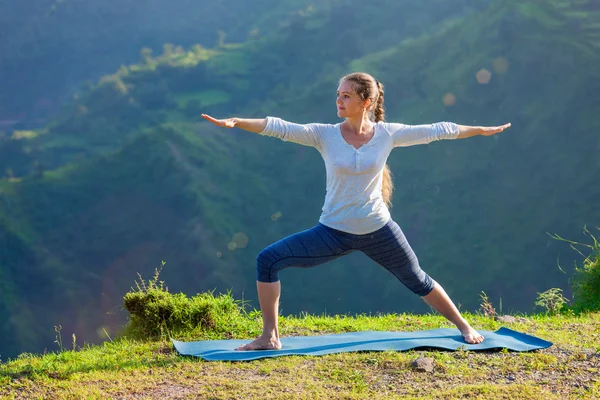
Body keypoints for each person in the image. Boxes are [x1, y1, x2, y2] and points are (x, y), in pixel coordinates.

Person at [202, 72, 511, 351]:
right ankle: (270, 336)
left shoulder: (388, 134)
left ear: (365, 102)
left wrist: (479, 130)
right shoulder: (324, 135)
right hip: (333, 232)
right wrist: (237, 121)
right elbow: (280, 127)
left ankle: (464, 326)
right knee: (267, 260)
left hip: (379, 230)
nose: (338, 100)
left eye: (346, 95)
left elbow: (438, 130)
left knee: (418, 279)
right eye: (338, 94)